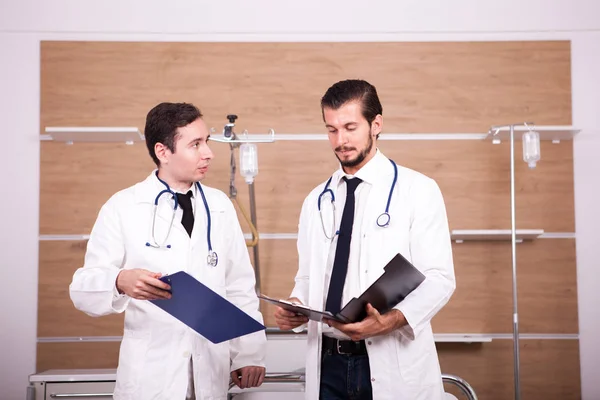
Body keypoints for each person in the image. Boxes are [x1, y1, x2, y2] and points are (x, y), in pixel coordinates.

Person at [69, 102, 267, 400]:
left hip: (210, 374)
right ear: (163, 152)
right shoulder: (123, 207)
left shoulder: (220, 206)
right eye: (195, 145)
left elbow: (239, 286)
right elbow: (82, 289)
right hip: (151, 377)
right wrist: (119, 280)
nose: (208, 153)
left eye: (207, 142)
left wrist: (248, 353)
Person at [274, 80, 456, 400]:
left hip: (389, 359)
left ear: (376, 124)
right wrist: (297, 306)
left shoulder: (417, 190)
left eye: (350, 127)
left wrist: (389, 321)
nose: (340, 141)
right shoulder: (316, 200)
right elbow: (307, 277)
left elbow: (439, 279)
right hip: (328, 363)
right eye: (331, 129)